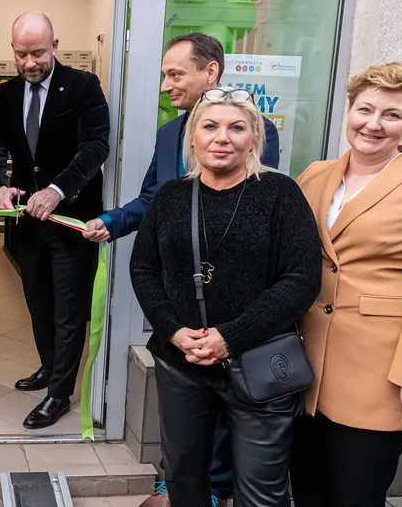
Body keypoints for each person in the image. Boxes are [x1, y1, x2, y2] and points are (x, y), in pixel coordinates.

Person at [82, 32, 281, 506]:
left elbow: (249, 203)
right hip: (181, 300)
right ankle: (178, 484)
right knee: (184, 410)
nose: (166, 85)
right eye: (164, 75)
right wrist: (111, 222)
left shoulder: (253, 128)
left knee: (227, 407)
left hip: (234, 303)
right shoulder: (170, 132)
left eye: (175, 74)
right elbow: (154, 198)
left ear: (210, 72)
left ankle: (215, 490)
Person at [129, 88, 321, 507]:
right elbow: (143, 269)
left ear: (254, 138)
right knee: (183, 480)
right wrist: (172, 330)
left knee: (260, 491)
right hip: (181, 362)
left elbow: (302, 279)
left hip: (259, 362)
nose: (222, 138)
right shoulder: (171, 197)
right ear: (193, 137)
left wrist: (230, 337)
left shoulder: (280, 194)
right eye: (210, 126)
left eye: (236, 128)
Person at [291, 62, 402, 506]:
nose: (373, 124)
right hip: (304, 372)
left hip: (378, 375)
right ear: (350, 110)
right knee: (307, 492)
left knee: (356, 495)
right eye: (365, 109)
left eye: (392, 115)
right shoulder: (315, 174)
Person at [0, 12, 110, 429]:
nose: (29, 62)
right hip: (28, 223)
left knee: (68, 310)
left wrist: (57, 189)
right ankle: (50, 367)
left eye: (38, 52)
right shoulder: (4, 94)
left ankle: (59, 393)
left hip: (71, 218)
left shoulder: (83, 86)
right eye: (21, 54)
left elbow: (96, 146)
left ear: (55, 46)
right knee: (38, 302)